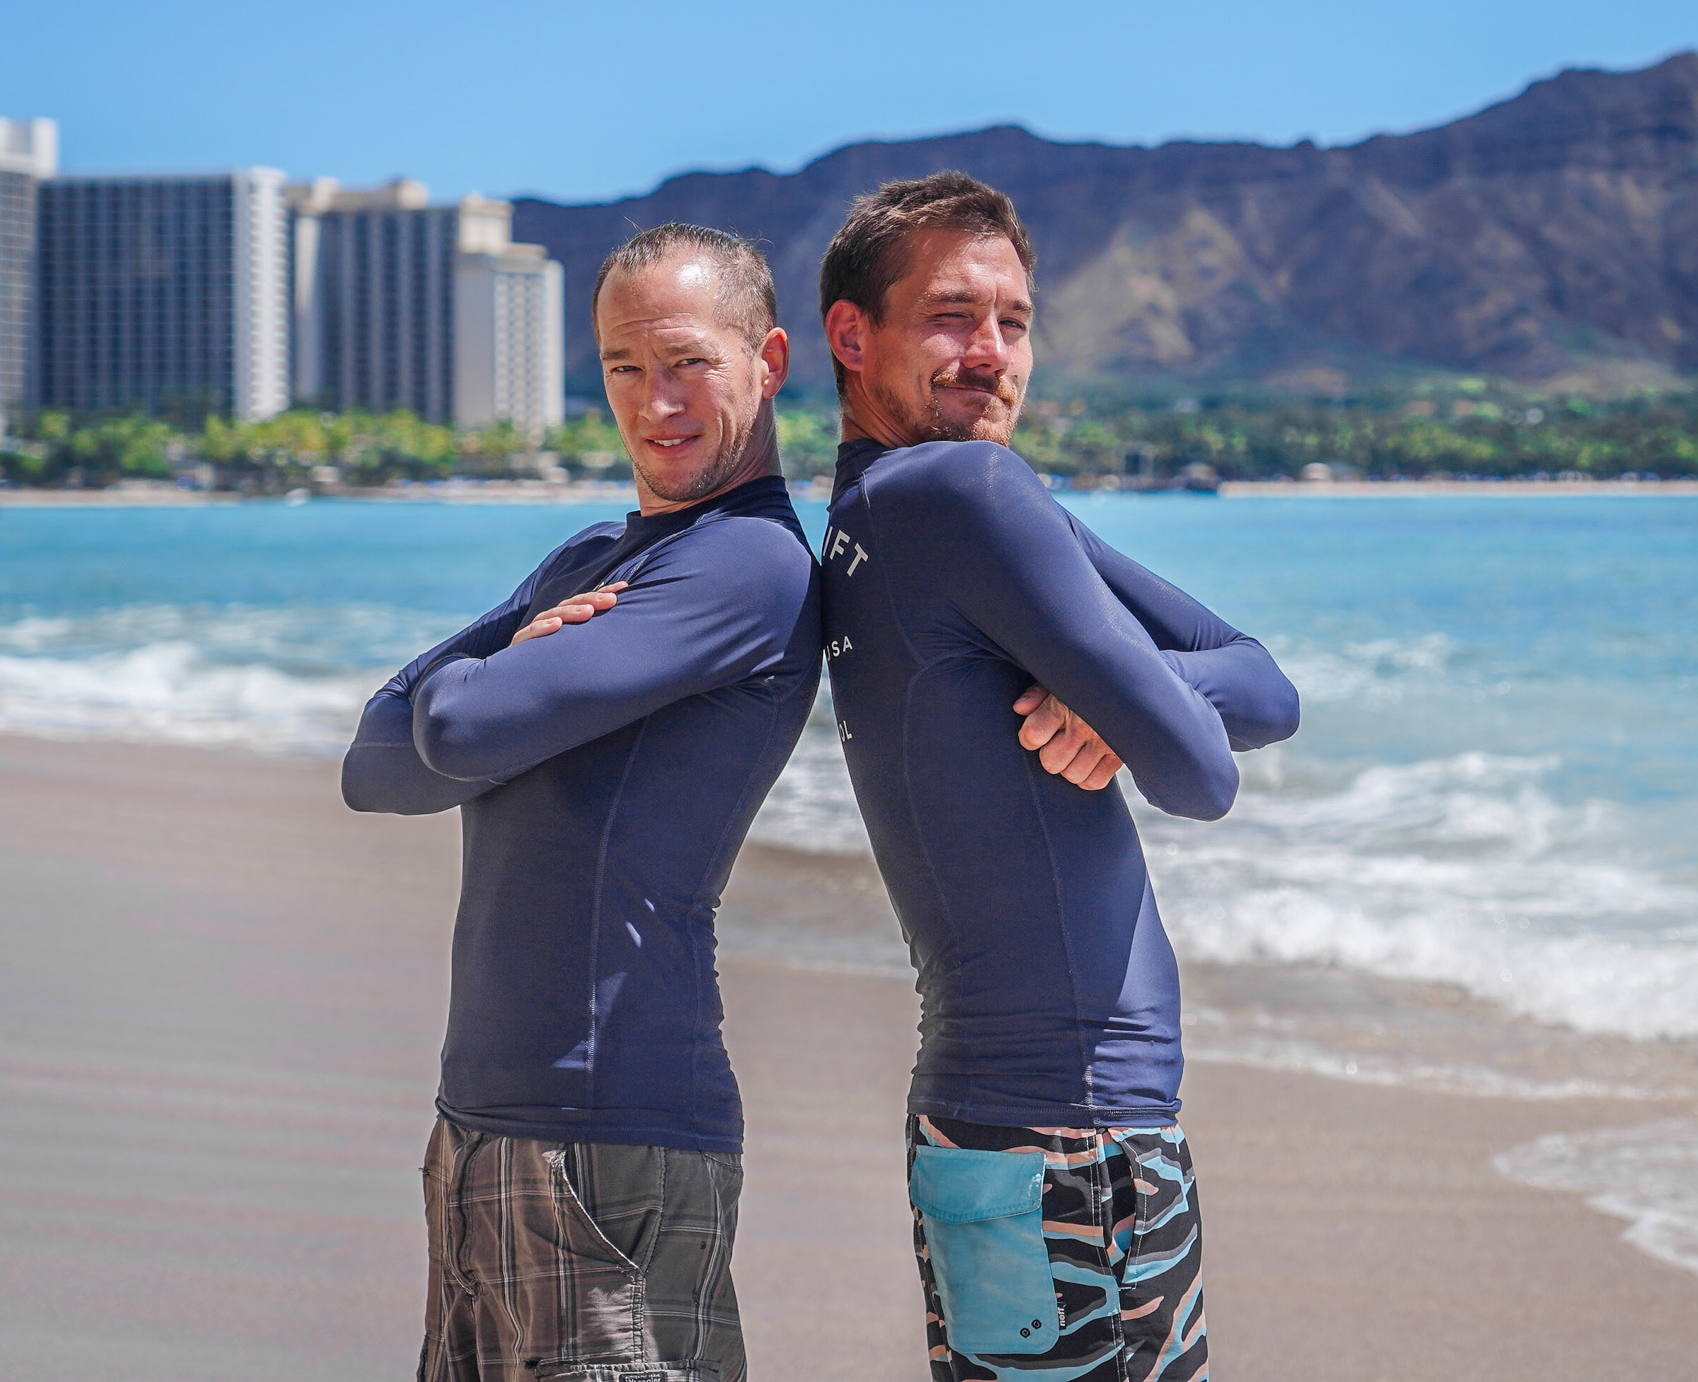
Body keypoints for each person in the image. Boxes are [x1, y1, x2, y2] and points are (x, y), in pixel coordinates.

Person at [816, 172, 1299, 1382]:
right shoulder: (975, 492)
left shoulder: (875, 512)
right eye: (950, 315)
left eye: (1014, 321)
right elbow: (1202, 775)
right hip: (1075, 1151)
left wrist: (1119, 697)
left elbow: (1263, 684)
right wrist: (1145, 708)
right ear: (847, 335)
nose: (990, 353)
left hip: (983, 1132)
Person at [343, 223, 821, 1382]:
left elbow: (447, 726)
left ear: (768, 359)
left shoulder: (748, 565)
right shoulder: (589, 561)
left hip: (613, 1136)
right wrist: (499, 665)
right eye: (621, 367)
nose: (653, 400)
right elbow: (375, 763)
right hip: (483, 1122)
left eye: (686, 361)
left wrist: (479, 681)